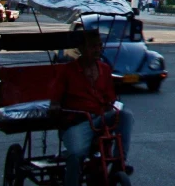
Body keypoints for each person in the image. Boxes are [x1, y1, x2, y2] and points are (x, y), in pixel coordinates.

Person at [52, 30, 134, 186]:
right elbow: (55, 100)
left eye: (99, 46)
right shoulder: (68, 71)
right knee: (76, 155)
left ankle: (119, 161)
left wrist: (111, 104)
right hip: (78, 121)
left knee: (126, 115)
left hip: (100, 118)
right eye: (92, 46)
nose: (97, 50)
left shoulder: (104, 69)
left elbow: (110, 98)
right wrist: (55, 107)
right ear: (81, 48)